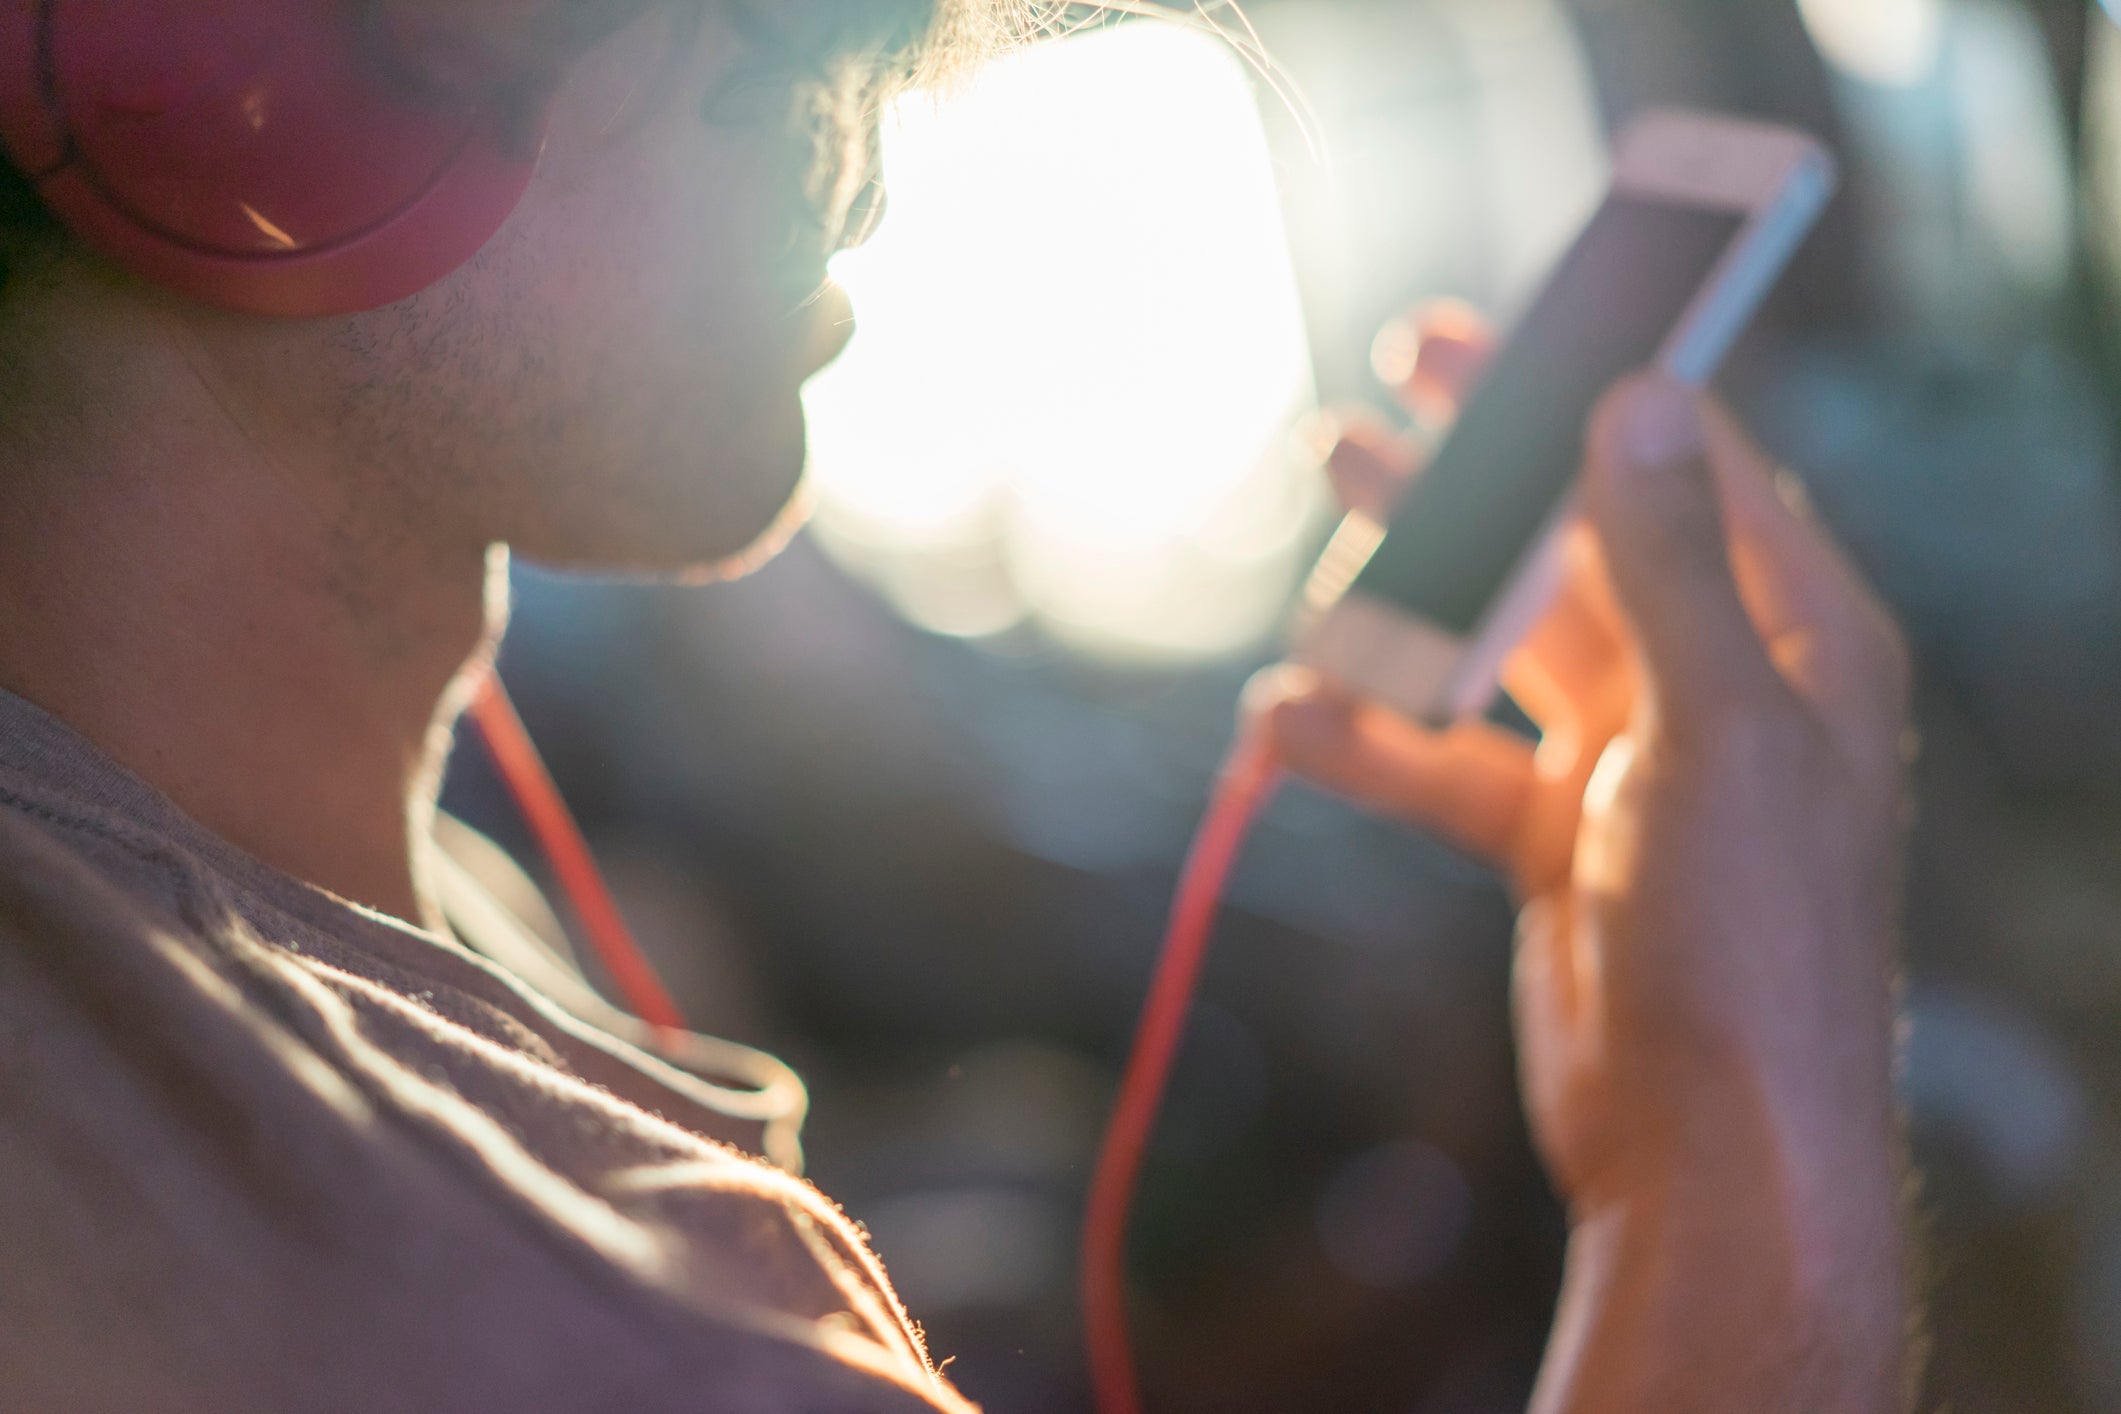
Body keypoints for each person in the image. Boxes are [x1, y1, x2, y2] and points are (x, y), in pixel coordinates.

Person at [0, 0, 1912, 1409]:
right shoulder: (542, 1337)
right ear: (215, 80)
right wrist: (1745, 1160)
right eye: (773, 47)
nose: (868, 133)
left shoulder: (321, 867)